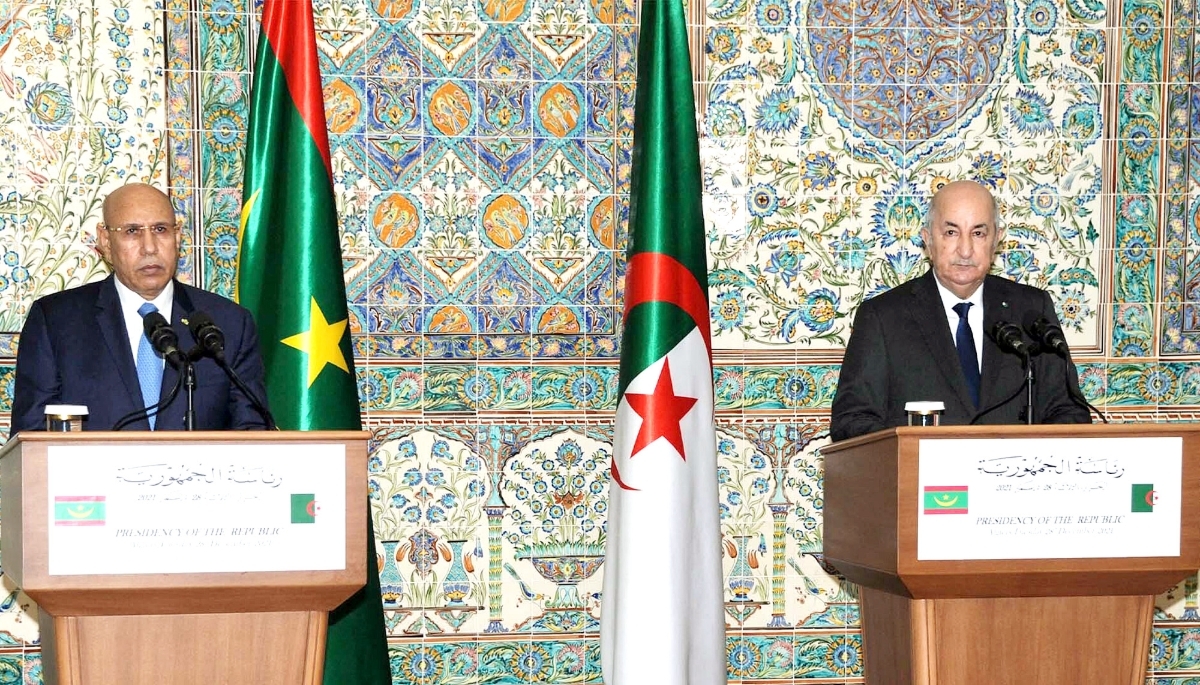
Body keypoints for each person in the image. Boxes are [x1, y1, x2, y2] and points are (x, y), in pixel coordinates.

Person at [830, 180, 1090, 441]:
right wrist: (915, 452)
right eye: (951, 233)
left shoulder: (1031, 311)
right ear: (928, 239)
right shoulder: (883, 317)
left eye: (978, 233)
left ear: (996, 240)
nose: (965, 251)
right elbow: (851, 421)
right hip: (922, 478)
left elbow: (1068, 412)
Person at [10, 183, 269, 435]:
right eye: (132, 231)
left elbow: (253, 432)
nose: (149, 247)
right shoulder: (56, 321)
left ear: (178, 237)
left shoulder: (229, 324)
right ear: (106, 241)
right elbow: (30, 439)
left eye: (160, 229)